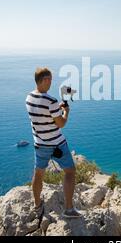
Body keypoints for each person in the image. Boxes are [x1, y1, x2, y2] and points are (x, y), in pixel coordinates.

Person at [25, 67, 82, 219]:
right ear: (44, 80)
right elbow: (61, 123)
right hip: (57, 144)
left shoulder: (29, 98)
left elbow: (42, 114)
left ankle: (37, 205)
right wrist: (66, 112)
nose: (51, 82)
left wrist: (56, 108)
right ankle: (69, 210)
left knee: (38, 174)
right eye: (50, 79)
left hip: (39, 144)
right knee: (70, 171)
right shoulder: (51, 101)